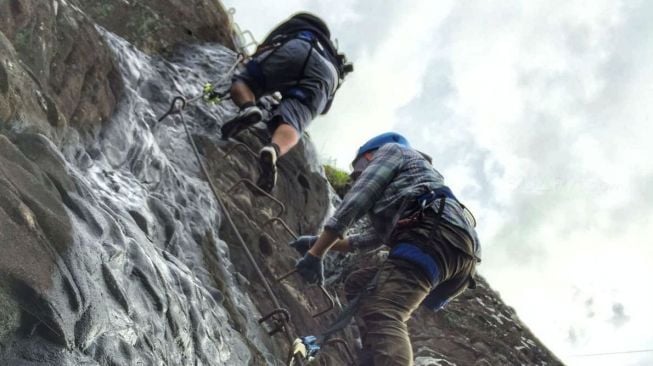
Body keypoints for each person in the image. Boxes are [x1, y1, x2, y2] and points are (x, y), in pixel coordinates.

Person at [290, 132, 481, 366]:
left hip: (432, 235)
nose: (355, 178)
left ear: (369, 155)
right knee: (359, 284)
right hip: (457, 254)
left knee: (385, 310)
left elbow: (356, 202)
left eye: (357, 171)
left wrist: (315, 254)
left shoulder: (392, 151)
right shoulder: (413, 182)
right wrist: (315, 242)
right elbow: (366, 241)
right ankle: (375, 357)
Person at [221, 12, 352, 193]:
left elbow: (264, 47)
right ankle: (273, 149)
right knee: (294, 120)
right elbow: (324, 109)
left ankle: (249, 108)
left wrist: (252, 63)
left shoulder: (296, 24)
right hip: (327, 73)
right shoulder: (335, 57)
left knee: (246, 82)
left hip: (297, 45)